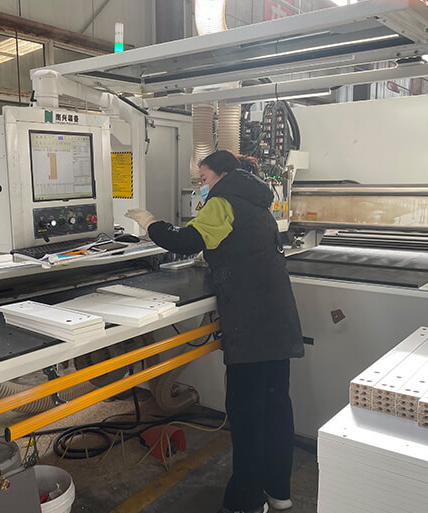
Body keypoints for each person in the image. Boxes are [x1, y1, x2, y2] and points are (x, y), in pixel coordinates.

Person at [125, 150, 304, 513]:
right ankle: (278, 492)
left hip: (251, 324)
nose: (202, 186)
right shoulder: (256, 198)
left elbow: (184, 240)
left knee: (247, 414)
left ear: (221, 175)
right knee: (275, 407)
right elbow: (243, 244)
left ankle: (246, 501)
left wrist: (151, 223)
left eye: (204, 179)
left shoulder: (223, 200)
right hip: (277, 319)